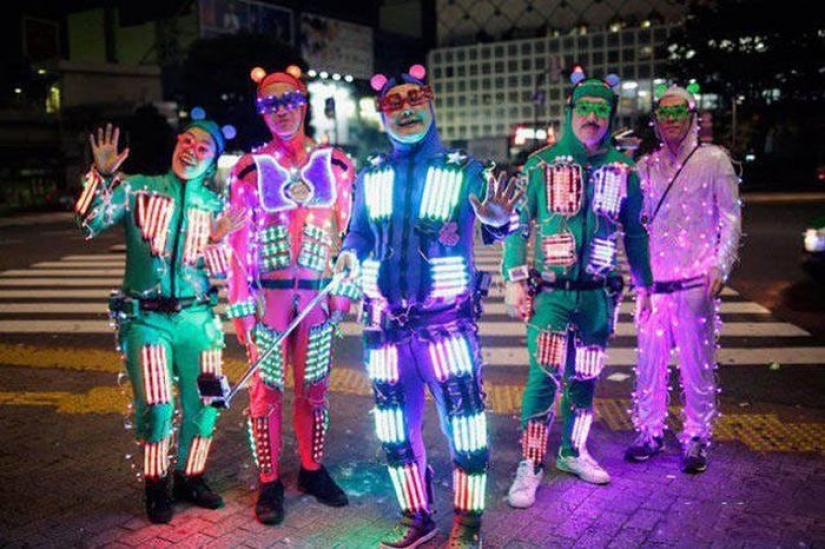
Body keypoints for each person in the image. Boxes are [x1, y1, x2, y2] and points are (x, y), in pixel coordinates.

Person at [334, 64, 521, 549]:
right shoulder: (372, 175)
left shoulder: (462, 171)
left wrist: (501, 222)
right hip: (384, 329)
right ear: (381, 116)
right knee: (395, 430)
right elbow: (356, 232)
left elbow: (497, 223)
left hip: (447, 325)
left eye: (414, 99)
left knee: (465, 427)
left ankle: (469, 522)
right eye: (393, 104)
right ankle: (417, 516)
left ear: (431, 103)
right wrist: (349, 254)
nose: (406, 110)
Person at [502, 68, 653, 508]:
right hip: (551, 292)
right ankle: (530, 462)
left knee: (585, 377)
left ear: (610, 116)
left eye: (601, 110)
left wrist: (646, 287)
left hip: (598, 296)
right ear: (570, 112)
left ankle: (572, 450)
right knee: (543, 377)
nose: (592, 116)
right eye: (584, 108)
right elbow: (517, 224)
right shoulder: (540, 164)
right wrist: (514, 279)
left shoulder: (624, 171)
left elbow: (636, 234)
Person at [75, 119, 237, 523]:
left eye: (203, 148)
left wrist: (217, 241)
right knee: (157, 405)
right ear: (175, 143)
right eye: (187, 140)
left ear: (212, 159)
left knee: (207, 402)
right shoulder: (136, 188)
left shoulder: (215, 206)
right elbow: (88, 222)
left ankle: (191, 476)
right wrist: (102, 176)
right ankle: (155, 484)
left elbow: (219, 270)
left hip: (198, 319)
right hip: (146, 320)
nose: (192, 150)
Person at [226, 65, 356, 525]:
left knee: (314, 391)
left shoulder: (337, 164)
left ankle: (311, 470)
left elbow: (349, 231)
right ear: (261, 112)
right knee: (265, 393)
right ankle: (268, 481)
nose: (280, 111)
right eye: (269, 104)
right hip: (270, 301)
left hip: (318, 298)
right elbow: (237, 244)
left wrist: (344, 295)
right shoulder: (248, 169)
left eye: (288, 100)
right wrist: (241, 308)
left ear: (303, 103)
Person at [625, 84, 741, 473]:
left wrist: (719, 266)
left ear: (693, 117)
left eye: (679, 112)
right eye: (664, 112)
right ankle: (650, 431)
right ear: (656, 119)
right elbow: (633, 228)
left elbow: (729, 217)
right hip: (655, 287)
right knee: (650, 365)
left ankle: (696, 437)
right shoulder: (645, 167)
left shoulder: (714, 161)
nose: (671, 119)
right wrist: (638, 282)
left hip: (695, 285)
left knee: (697, 365)